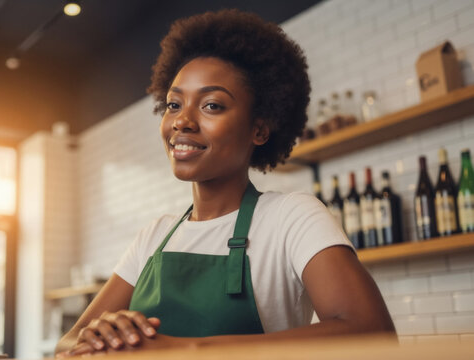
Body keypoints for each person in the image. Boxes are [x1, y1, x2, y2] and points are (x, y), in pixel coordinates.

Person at [55, 9, 394, 357]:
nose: (182, 121)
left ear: (259, 130)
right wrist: (102, 334)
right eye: (174, 104)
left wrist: (187, 349)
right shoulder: (153, 238)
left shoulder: (292, 218)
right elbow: (66, 345)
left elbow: (374, 334)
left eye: (212, 105)